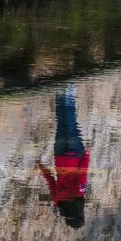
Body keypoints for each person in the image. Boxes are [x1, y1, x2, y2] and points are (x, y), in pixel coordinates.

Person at [35, 85, 89, 228]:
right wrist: (42, 168)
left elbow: (82, 173)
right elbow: (50, 180)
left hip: (74, 154)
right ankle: (61, 91)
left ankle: (67, 90)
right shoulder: (58, 200)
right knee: (62, 123)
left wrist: (87, 155)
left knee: (70, 123)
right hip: (60, 155)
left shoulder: (79, 196)